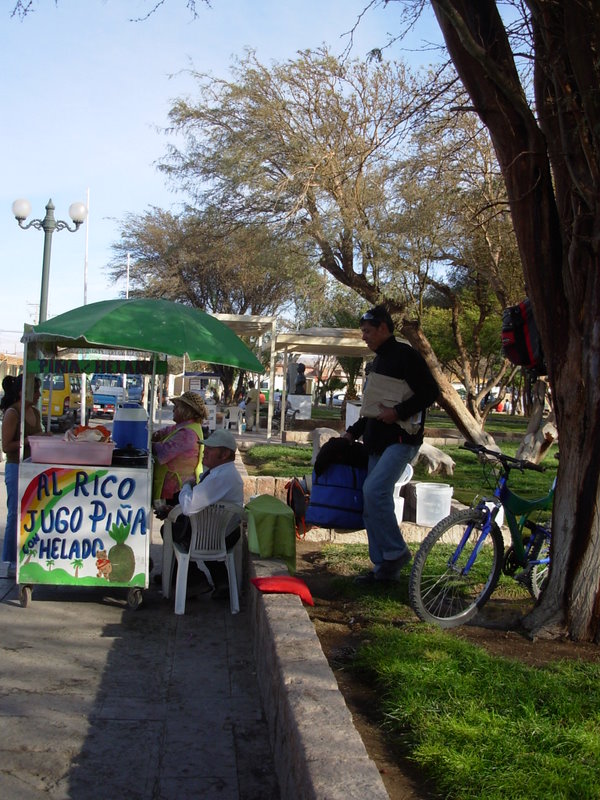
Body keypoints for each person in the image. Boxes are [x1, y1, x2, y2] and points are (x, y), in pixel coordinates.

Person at [345, 305, 439, 583]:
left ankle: (395, 553)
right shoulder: (376, 362)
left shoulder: (407, 356)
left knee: (375, 491)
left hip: (401, 441)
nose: (364, 337)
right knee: (370, 501)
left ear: (384, 328)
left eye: (367, 331)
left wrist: (398, 412)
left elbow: (430, 392)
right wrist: (352, 433)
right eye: (362, 332)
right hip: (376, 442)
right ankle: (383, 569)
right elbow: (372, 409)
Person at [177, 429, 244, 599]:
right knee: (183, 525)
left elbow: (188, 506)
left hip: (219, 535)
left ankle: (195, 581)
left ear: (225, 454)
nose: (205, 452)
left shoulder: (220, 476)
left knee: (173, 530)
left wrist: (187, 486)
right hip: (222, 530)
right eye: (206, 447)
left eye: (211, 449)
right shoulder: (222, 472)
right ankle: (221, 582)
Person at [1, 375, 44, 573]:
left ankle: (28, 555)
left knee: (31, 513)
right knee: (14, 513)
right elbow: (6, 446)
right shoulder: (13, 413)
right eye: (35, 391)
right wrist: (30, 440)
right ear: (23, 392)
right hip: (16, 467)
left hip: (33, 467)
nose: (38, 395)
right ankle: (10, 560)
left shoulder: (35, 412)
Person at [152, 391, 207, 506]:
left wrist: (150, 444)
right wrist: (156, 435)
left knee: (172, 516)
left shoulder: (187, 434)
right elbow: (166, 431)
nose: (173, 410)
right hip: (177, 487)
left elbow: (164, 452)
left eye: (176, 407)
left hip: (178, 490)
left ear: (185, 411)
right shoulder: (185, 426)